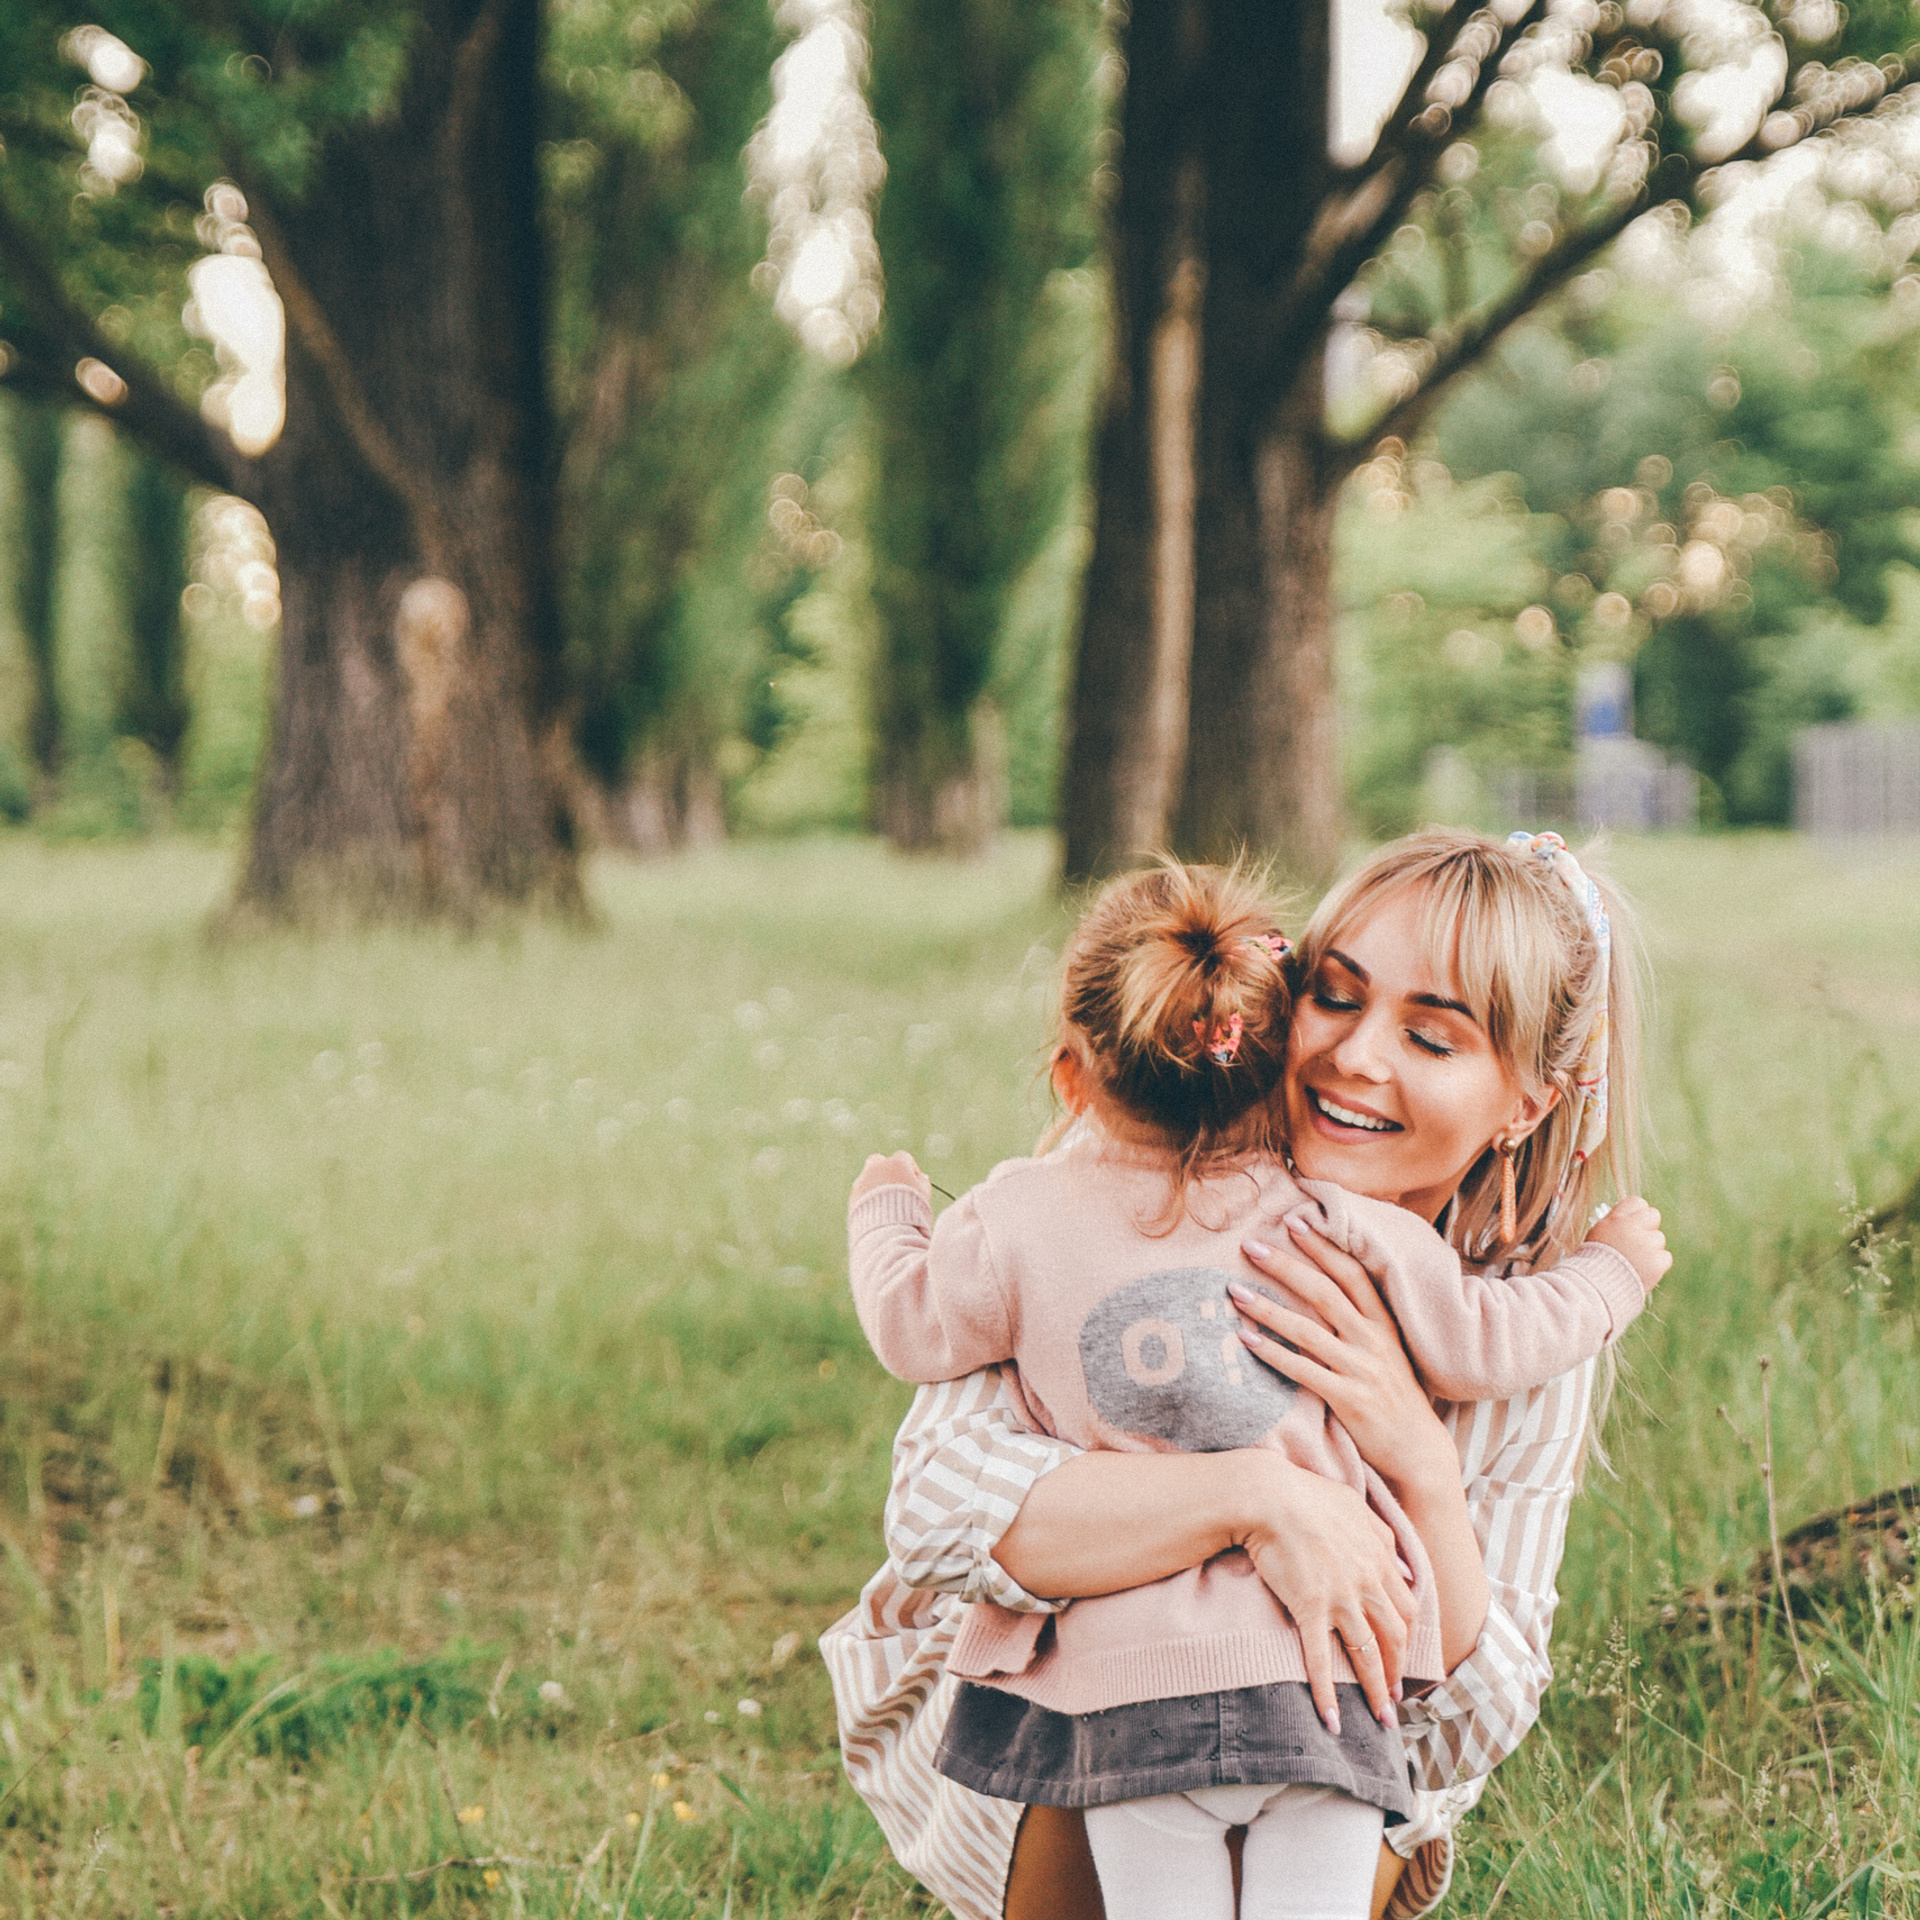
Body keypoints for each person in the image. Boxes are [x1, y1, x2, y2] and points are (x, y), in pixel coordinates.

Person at [821, 828, 1665, 1920]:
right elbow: (937, 1509)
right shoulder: (1140, 1166)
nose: (1357, 1058)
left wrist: (1415, 1451)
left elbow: (1469, 1723)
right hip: (1076, 1711)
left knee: (1334, 1800)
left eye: (1432, 1037)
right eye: (1338, 996)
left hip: (1348, 1737)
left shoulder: (1523, 1313)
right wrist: (1259, 1502)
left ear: (1525, 1105)